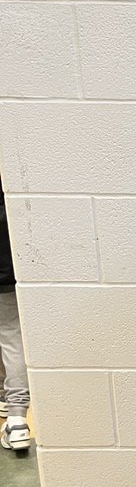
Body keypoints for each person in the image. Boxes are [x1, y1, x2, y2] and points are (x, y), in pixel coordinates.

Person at [0, 179, 32, 453]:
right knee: (10, 335)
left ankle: (16, 416)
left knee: (8, 333)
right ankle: (15, 413)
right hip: (8, 263)